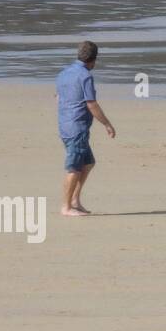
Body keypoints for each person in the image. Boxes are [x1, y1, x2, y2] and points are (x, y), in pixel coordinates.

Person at [55, 41, 115, 216]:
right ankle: (66, 207)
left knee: (88, 163)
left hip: (66, 125)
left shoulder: (63, 73)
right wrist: (107, 124)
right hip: (76, 128)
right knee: (74, 168)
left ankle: (74, 200)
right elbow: (91, 104)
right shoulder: (85, 76)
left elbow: (57, 98)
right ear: (93, 60)